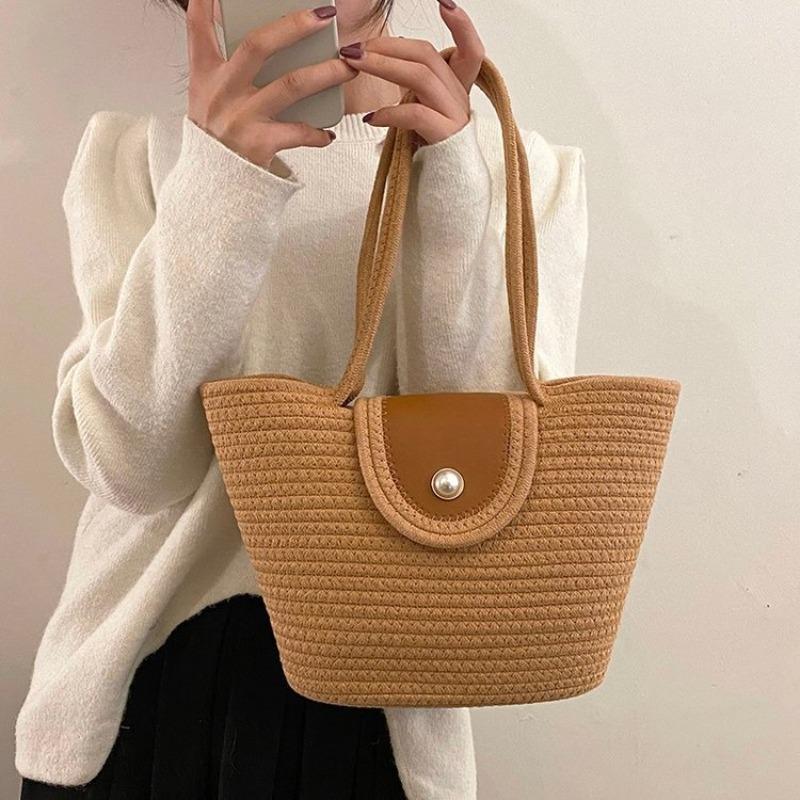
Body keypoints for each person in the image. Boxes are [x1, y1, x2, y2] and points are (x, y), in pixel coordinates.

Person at [15, 0, 588, 797]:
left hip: (384, 706)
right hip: (133, 693)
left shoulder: (519, 171)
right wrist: (217, 183)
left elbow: (493, 479)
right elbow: (132, 469)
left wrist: (456, 189)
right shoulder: (133, 158)